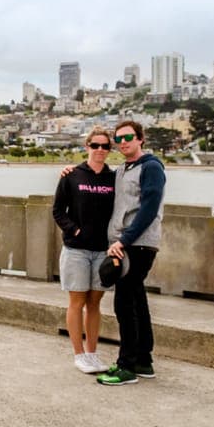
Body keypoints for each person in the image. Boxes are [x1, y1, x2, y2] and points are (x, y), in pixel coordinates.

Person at [96, 120, 166, 387]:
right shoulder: (125, 169)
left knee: (124, 303)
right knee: (137, 300)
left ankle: (126, 366)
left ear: (140, 139)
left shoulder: (151, 168)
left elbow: (149, 209)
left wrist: (123, 240)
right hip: (126, 244)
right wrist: (70, 172)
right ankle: (143, 360)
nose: (123, 142)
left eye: (128, 137)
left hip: (137, 245)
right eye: (119, 139)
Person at [52, 127, 116, 374]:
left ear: (110, 150)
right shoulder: (71, 175)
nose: (100, 150)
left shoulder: (114, 178)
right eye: (95, 145)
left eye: (105, 146)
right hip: (76, 250)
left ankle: (92, 353)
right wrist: (75, 230)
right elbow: (58, 210)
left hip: (102, 251)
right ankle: (78, 355)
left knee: (95, 303)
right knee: (76, 301)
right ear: (87, 146)